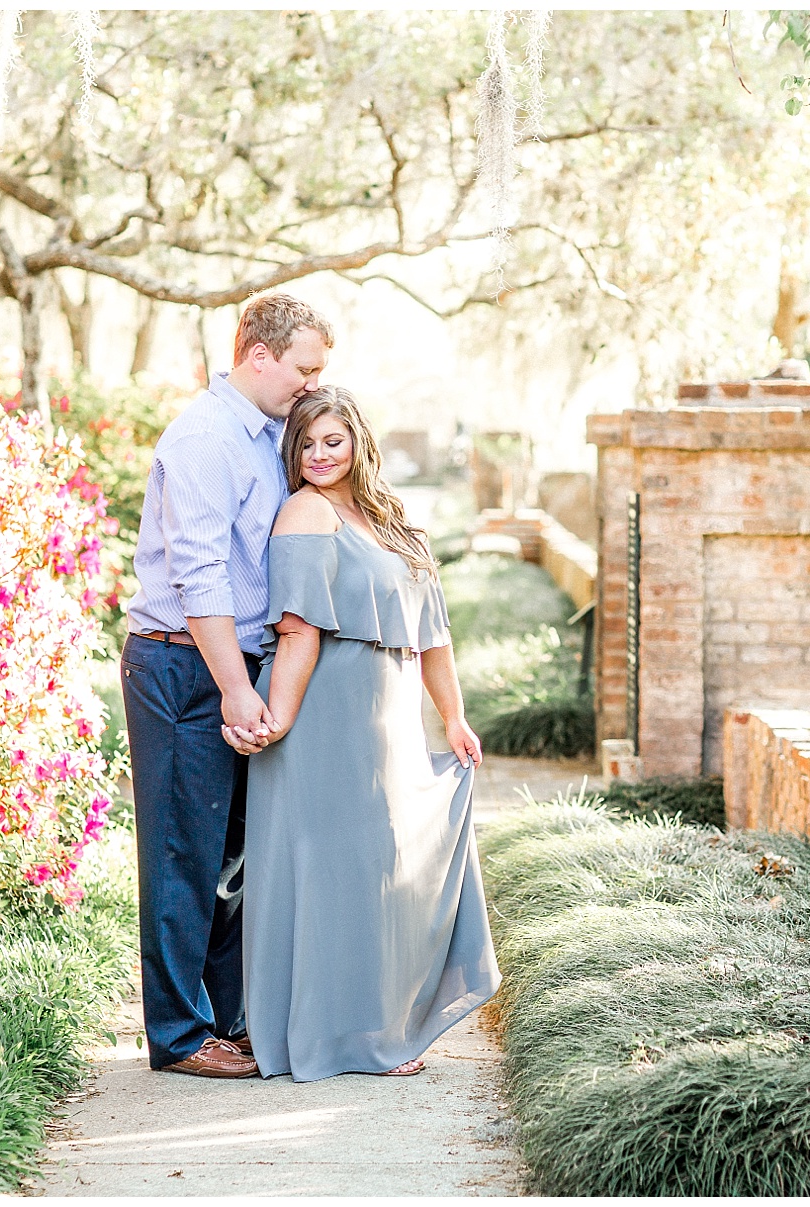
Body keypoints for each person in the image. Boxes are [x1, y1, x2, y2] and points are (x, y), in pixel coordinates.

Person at [234, 387, 500, 1081]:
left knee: (383, 869)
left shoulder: (392, 520)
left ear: (358, 441)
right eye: (307, 444)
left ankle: (375, 1028)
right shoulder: (305, 511)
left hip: (388, 721)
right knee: (337, 874)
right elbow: (298, 628)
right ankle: (342, 1040)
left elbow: (433, 634)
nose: (320, 455)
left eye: (333, 440)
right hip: (325, 717)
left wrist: (453, 715)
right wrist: (277, 719)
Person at [120, 293, 333, 1078]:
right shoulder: (206, 439)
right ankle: (179, 1035)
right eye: (305, 367)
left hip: (232, 662)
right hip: (184, 664)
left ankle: (233, 1020)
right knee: (183, 854)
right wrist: (235, 689)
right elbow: (200, 574)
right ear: (259, 355)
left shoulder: (268, 435)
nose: (313, 383)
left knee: (232, 862)